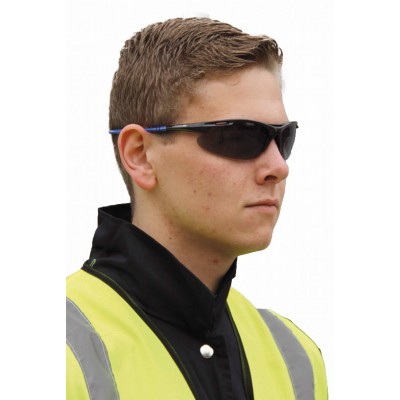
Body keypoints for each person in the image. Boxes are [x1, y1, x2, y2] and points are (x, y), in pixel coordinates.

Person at [66, 17, 328, 399]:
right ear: (140, 155)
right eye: (240, 136)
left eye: (283, 139)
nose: (278, 167)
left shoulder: (297, 357)